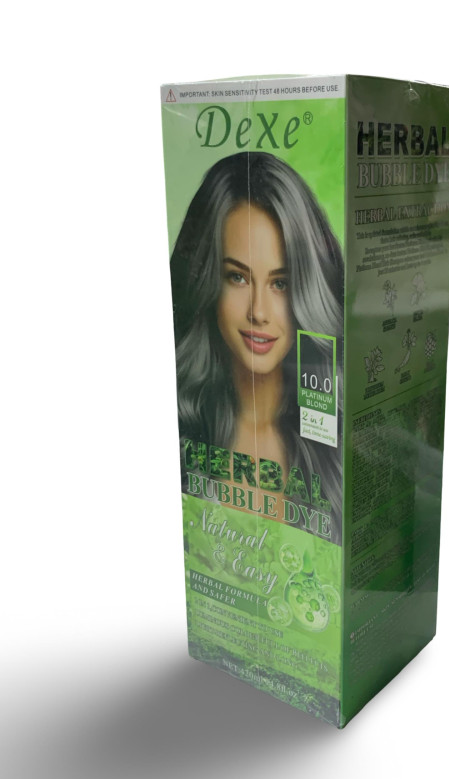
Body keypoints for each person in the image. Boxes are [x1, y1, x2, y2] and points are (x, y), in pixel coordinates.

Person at [170, 152, 343, 538]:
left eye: (281, 283)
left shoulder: (337, 443)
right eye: (238, 277)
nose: (259, 312)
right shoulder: (180, 428)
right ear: (205, 280)